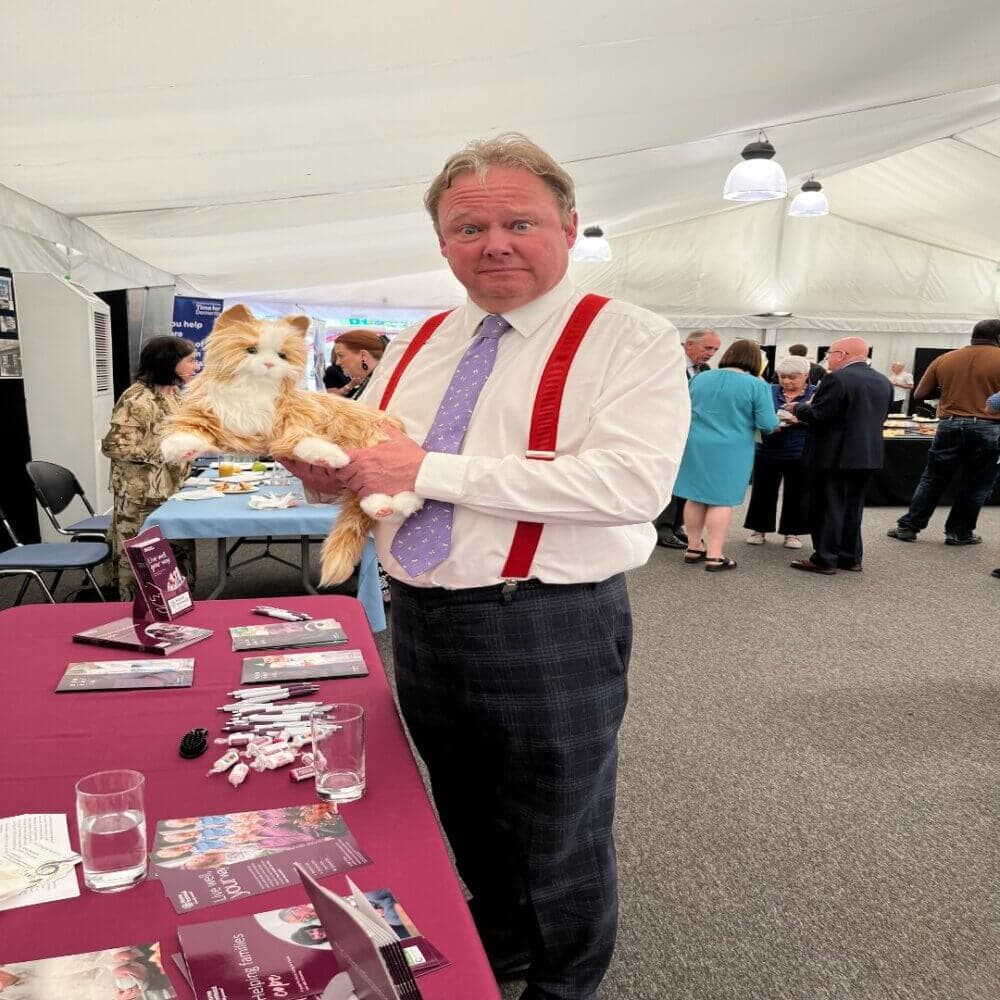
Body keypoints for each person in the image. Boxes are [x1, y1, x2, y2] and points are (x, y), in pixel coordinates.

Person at [282, 132, 688, 1000]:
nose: (494, 242)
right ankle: (499, 945)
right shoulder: (422, 337)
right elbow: (378, 457)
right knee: (465, 814)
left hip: (548, 619)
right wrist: (330, 475)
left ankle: (563, 986)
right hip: (422, 615)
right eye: (469, 229)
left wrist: (426, 471)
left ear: (569, 227)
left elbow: (632, 484)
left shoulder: (629, 337)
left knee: (559, 835)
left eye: (518, 222)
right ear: (441, 244)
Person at [101, 335, 198, 600]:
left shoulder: (174, 394)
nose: (195, 365)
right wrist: (168, 450)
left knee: (171, 554)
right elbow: (115, 447)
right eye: (189, 360)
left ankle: (176, 600)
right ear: (169, 362)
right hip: (141, 496)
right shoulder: (137, 399)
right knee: (142, 562)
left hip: (170, 489)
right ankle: (137, 612)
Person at [887, 320, 1000, 546]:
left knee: (933, 478)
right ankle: (958, 533)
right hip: (989, 427)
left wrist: (950, 389)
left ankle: (908, 527)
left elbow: (920, 392)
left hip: (950, 424)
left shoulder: (946, 358)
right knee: (976, 484)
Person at [786, 337, 892, 574]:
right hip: (868, 454)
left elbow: (820, 416)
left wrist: (800, 407)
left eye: (829, 353)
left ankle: (825, 557)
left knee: (827, 506)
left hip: (835, 454)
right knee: (853, 507)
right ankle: (850, 556)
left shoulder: (836, 379)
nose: (827, 358)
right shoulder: (883, 380)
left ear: (842, 355)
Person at [672, 338, 779, 571]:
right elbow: (767, 423)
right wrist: (782, 419)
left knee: (695, 496)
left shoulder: (701, 378)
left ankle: (693, 547)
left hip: (695, 443)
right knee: (721, 500)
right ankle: (715, 555)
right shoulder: (756, 384)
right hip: (732, 447)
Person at [654, 328, 722, 548]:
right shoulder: (668, 366)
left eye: (715, 349)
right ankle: (662, 527)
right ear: (688, 345)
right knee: (671, 479)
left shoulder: (706, 371)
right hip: (667, 431)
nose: (711, 353)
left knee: (686, 479)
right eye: (707, 348)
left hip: (692, 433)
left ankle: (676, 525)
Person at [744, 355, 815, 547]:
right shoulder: (768, 390)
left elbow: (821, 418)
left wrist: (798, 419)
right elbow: (755, 413)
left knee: (797, 492)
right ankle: (759, 529)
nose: (786, 382)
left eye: (792, 377)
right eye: (783, 377)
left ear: (805, 376)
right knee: (763, 491)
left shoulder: (815, 393)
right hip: (767, 448)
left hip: (800, 449)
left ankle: (792, 532)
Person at [331, 330, 386, 399]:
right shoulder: (374, 381)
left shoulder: (382, 386)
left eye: (341, 355)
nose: (337, 362)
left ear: (363, 356)